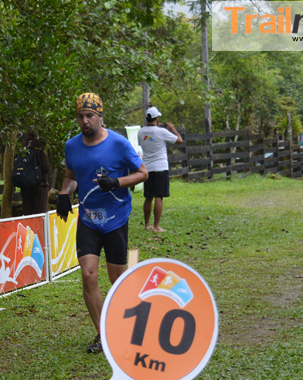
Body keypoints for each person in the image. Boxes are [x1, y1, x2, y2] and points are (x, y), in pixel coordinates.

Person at [57, 93, 148, 353]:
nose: (85, 121)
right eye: (80, 117)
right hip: (88, 218)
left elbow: (143, 173)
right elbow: (71, 175)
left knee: (117, 280)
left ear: (100, 116)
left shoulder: (118, 144)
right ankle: (102, 333)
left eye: (89, 116)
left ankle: (129, 325)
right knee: (88, 275)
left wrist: (117, 182)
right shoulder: (71, 146)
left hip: (115, 218)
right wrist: (65, 193)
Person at [136, 106, 182, 233]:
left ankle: (147, 224)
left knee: (148, 197)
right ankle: (156, 226)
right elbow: (179, 140)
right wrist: (171, 128)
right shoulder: (162, 132)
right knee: (158, 197)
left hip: (147, 168)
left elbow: (146, 139)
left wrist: (158, 127)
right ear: (157, 118)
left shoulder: (140, 132)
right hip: (160, 167)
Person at [18, 130, 52, 215]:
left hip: (25, 184)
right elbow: (46, 168)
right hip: (39, 185)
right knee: (41, 215)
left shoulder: (22, 146)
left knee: (27, 214)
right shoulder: (40, 146)